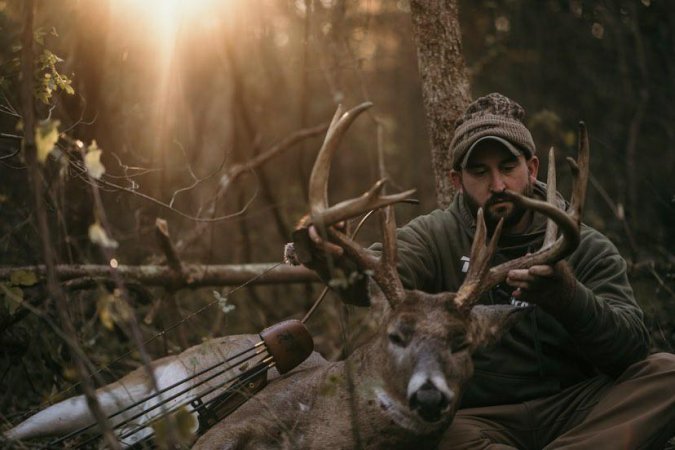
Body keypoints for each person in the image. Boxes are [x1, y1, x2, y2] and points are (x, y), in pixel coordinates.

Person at [296, 93, 675, 449]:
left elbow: (630, 350)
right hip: (479, 418)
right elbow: (369, 284)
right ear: (456, 181)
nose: (498, 185)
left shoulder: (584, 246)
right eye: (479, 172)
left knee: (667, 373)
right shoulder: (435, 237)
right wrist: (332, 255)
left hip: (576, 406)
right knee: (434, 435)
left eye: (508, 167)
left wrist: (569, 298)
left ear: (532, 168)